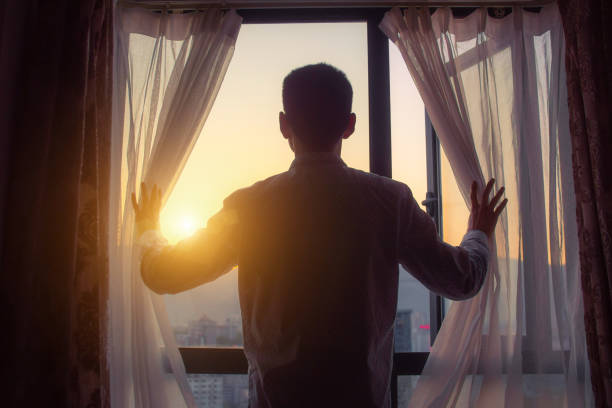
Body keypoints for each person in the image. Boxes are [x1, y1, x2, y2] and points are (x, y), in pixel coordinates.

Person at [132, 63, 507, 408]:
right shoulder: (389, 201)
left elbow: (164, 273)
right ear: (350, 124)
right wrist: (478, 232)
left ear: (284, 124)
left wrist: (148, 227)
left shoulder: (249, 207)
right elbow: (462, 279)